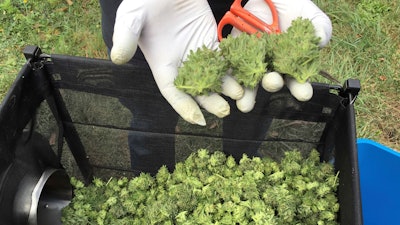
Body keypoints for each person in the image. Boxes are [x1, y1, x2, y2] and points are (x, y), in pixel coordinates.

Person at [98, 0, 332, 175]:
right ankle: (149, 181)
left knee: (252, 96)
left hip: (248, 7)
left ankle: (242, 165)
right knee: (151, 110)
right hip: (157, 19)